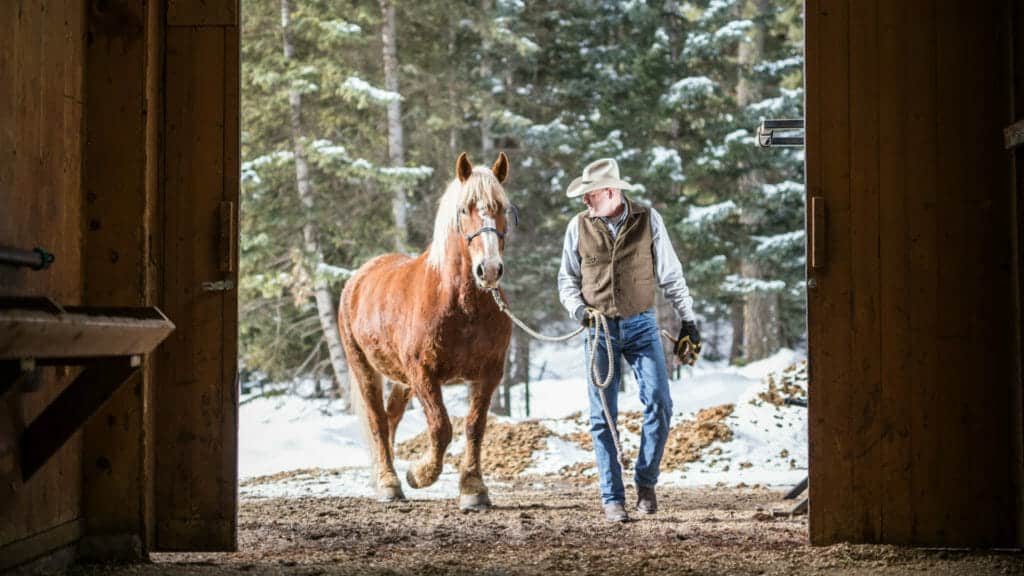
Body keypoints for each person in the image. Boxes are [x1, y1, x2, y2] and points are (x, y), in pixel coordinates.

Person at [557, 157, 701, 523]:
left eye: (590, 193)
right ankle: (612, 497)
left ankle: (646, 482)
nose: (584, 200)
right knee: (602, 416)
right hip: (598, 329)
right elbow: (567, 281)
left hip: (641, 325)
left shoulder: (649, 220)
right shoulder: (577, 227)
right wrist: (578, 309)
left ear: (610, 191)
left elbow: (671, 274)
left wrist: (688, 320)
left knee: (660, 402)